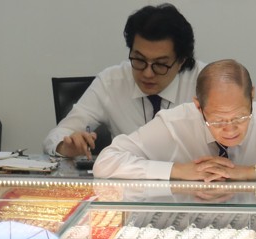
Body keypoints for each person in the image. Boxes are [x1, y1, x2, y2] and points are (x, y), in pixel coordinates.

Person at [93, 59, 256, 182]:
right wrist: (179, 171)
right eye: (218, 120)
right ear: (198, 106)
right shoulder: (175, 123)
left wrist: (251, 172)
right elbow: (106, 162)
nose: (230, 129)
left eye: (241, 116)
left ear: (252, 96)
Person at [43, 4, 203, 159]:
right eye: (139, 60)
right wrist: (66, 146)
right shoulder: (111, 82)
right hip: (127, 183)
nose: (147, 73)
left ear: (181, 60)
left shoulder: (206, 83)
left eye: (160, 64)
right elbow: (57, 135)